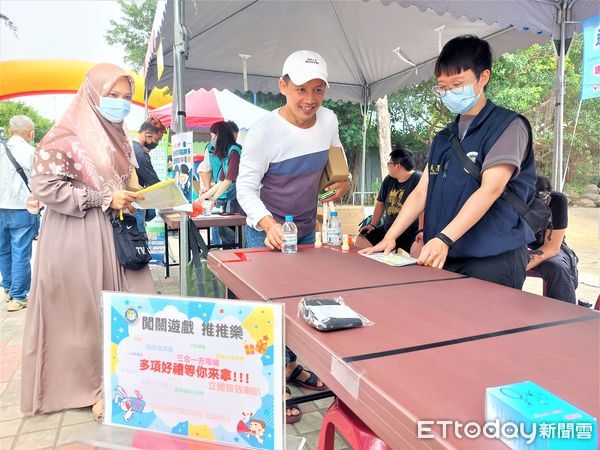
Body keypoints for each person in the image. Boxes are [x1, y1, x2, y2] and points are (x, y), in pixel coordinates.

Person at [20, 63, 155, 419]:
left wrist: (148, 196)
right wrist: (104, 198)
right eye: (113, 95)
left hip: (117, 231)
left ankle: (124, 380)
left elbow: (126, 184)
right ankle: (93, 387)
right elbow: (46, 188)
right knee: (86, 313)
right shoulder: (64, 137)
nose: (121, 104)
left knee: (129, 306)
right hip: (76, 233)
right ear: (93, 94)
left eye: (127, 98)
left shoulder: (120, 136)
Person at [361, 35, 537, 289]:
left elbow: (491, 189)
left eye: (457, 84)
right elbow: (421, 192)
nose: (449, 93)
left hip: (492, 258)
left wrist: (444, 237)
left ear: (483, 77)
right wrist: (390, 237)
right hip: (444, 255)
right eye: (442, 87)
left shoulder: (508, 126)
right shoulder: (444, 138)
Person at [236, 50, 351, 422]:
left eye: (318, 90)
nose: (309, 100)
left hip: (304, 229)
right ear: (283, 86)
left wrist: (344, 182)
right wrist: (267, 224)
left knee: (301, 304)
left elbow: (337, 161)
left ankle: (287, 367)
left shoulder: (329, 119)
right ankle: (267, 380)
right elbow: (245, 189)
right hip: (266, 230)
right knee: (269, 309)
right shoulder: (263, 131)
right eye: (301, 89)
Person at [0, 115, 37, 312]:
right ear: (30, 133)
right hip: (22, 209)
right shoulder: (31, 152)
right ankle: (19, 297)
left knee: (3, 250)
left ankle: (7, 289)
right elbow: (39, 182)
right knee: (20, 252)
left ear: (9, 130)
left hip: (0, 208)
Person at [356, 145, 422, 253]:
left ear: (398, 165)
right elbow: (380, 204)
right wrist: (373, 225)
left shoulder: (417, 178)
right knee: (361, 240)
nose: (388, 167)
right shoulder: (389, 180)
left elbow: (422, 208)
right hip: (388, 229)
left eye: (389, 164)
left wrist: (421, 230)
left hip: (410, 232)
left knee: (419, 250)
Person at [527, 176, 579, 303]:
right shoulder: (512, 199)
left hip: (549, 245)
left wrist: (522, 264)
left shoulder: (557, 201)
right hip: (518, 244)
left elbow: (551, 248)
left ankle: (565, 315)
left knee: (558, 268)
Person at [199, 121, 244, 244]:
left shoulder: (234, 151)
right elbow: (220, 181)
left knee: (234, 236)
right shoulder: (226, 154)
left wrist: (213, 199)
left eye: (213, 136)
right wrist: (202, 198)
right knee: (224, 234)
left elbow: (228, 181)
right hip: (231, 199)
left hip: (237, 200)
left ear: (220, 136)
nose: (212, 139)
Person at [132, 117, 166, 232]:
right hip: (135, 205)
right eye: (156, 140)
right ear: (147, 134)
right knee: (139, 240)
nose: (156, 144)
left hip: (132, 203)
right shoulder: (139, 153)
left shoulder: (131, 147)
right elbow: (153, 181)